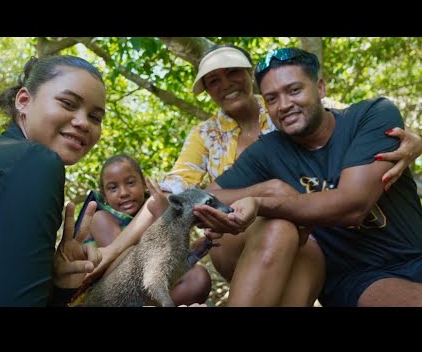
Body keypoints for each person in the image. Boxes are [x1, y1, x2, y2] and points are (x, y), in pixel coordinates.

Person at [84, 44, 422, 306]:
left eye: (233, 73)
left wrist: (416, 142)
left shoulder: (298, 115)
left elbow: (345, 125)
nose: (225, 84)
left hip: (333, 243)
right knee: (280, 225)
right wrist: (115, 250)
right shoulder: (212, 136)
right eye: (213, 81)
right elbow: (183, 190)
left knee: (288, 221)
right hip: (262, 239)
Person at [194, 47, 422, 307]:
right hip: (358, 278)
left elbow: (353, 205)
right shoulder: (268, 150)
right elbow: (206, 197)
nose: (284, 105)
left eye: (294, 90)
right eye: (271, 98)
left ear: (320, 88)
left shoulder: (371, 115)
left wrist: (261, 202)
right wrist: (267, 189)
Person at [0, 55, 106, 306]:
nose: (83, 122)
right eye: (68, 103)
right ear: (24, 100)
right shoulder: (35, 161)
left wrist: (58, 283)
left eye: (95, 117)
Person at [77, 154, 211, 306]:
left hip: (147, 290)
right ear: (104, 196)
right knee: (131, 252)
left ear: (145, 184)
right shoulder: (100, 219)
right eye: (113, 188)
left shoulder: (155, 210)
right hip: (109, 295)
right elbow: (128, 267)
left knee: (198, 277)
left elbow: (164, 267)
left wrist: (191, 252)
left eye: (131, 183)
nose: (124, 193)